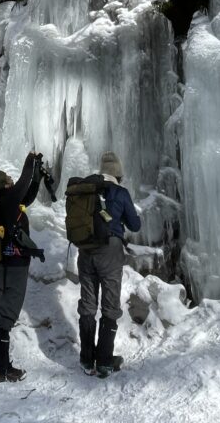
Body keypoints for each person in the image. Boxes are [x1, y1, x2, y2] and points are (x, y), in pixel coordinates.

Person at [0, 151, 45, 383]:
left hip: (2, 265)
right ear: (2, 184)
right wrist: (30, 161)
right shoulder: (6, 198)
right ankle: (2, 369)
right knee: (5, 316)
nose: (11, 181)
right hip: (13, 266)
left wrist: (37, 176)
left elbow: (27, 195)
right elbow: (22, 184)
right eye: (7, 179)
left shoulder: (4, 203)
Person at [77, 151, 141, 378]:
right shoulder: (120, 193)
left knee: (87, 305)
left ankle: (86, 360)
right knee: (110, 305)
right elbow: (135, 225)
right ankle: (104, 361)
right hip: (110, 252)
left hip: (85, 252)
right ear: (119, 174)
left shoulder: (87, 191)